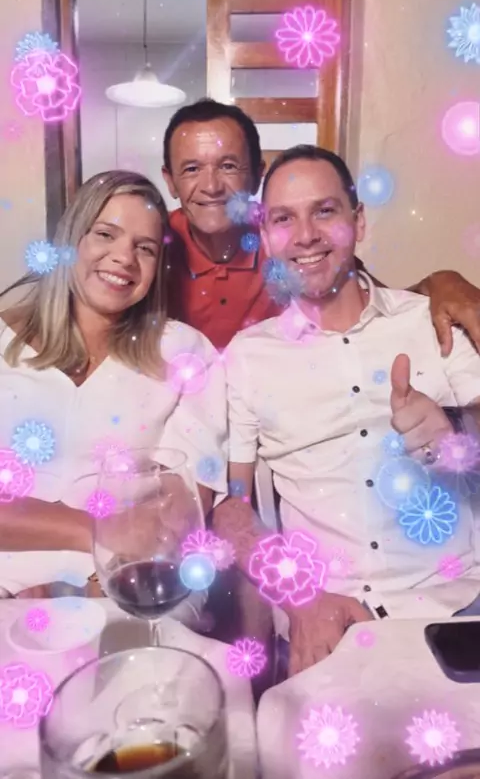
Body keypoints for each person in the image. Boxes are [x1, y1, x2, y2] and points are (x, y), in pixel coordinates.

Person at [214, 144, 480, 677]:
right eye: (284, 219)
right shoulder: (248, 356)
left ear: (358, 221)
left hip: (455, 606)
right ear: (266, 236)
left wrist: (455, 428)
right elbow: (232, 507)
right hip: (326, 621)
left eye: (325, 211)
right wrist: (300, 598)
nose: (305, 235)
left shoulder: (431, 319)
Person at [0, 170, 227, 598]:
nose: (124, 258)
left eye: (144, 248)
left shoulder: (186, 353)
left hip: (126, 582)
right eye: (106, 234)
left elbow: (184, 507)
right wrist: (98, 529)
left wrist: (91, 584)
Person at [162, 97, 480, 352]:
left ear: (258, 174)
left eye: (229, 166)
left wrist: (441, 283)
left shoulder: (289, 237)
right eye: (191, 169)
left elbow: (377, 307)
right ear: (170, 181)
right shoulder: (152, 246)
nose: (211, 187)